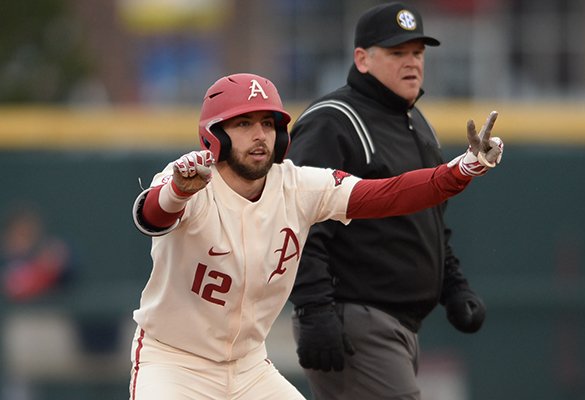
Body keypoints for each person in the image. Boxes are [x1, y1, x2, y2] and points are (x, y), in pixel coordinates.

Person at [129, 72, 503, 400]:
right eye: (243, 124)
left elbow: (385, 194)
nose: (259, 135)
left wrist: (461, 170)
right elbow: (153, 214)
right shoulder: (191, 178)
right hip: (174, 362)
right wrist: (178, 190)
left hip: (247, 366)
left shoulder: (297, 185)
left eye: (268, 123)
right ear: (215, 135)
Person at [287, 3, 491, 399]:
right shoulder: (334, 119)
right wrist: (313, 310)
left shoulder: (416, 123)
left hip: (399, 325)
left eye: (417, 52)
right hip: (355, 319)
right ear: (362, 59)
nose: (411, 62)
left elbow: (430, 223)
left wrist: (455, 287)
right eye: (397, 53)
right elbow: (297, 220)